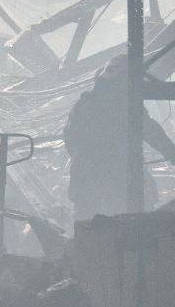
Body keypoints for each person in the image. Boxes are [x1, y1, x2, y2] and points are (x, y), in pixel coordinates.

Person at [65, 56, 175, 221]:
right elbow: (152, 133)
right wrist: (172, 154)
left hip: (86, 180)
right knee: (136, 217)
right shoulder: (125, 105)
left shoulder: (82, 105)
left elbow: (70, 140)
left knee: (88, 223)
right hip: (119, 179)